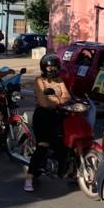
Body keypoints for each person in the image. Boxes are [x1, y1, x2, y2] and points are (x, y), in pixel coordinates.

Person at [25, 53, 71, 192]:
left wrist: (56, 101)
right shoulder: (40, 81)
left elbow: (67, 97)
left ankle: (69, 171)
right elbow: (44, 103)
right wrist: (59, 100)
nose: (52, 70)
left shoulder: (59, 80)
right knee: (43, 145)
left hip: (58, 114)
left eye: (55, 67)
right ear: (44, 68)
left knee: (65, 143)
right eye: (49, 67)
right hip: (43, 116)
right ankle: (29, 178)